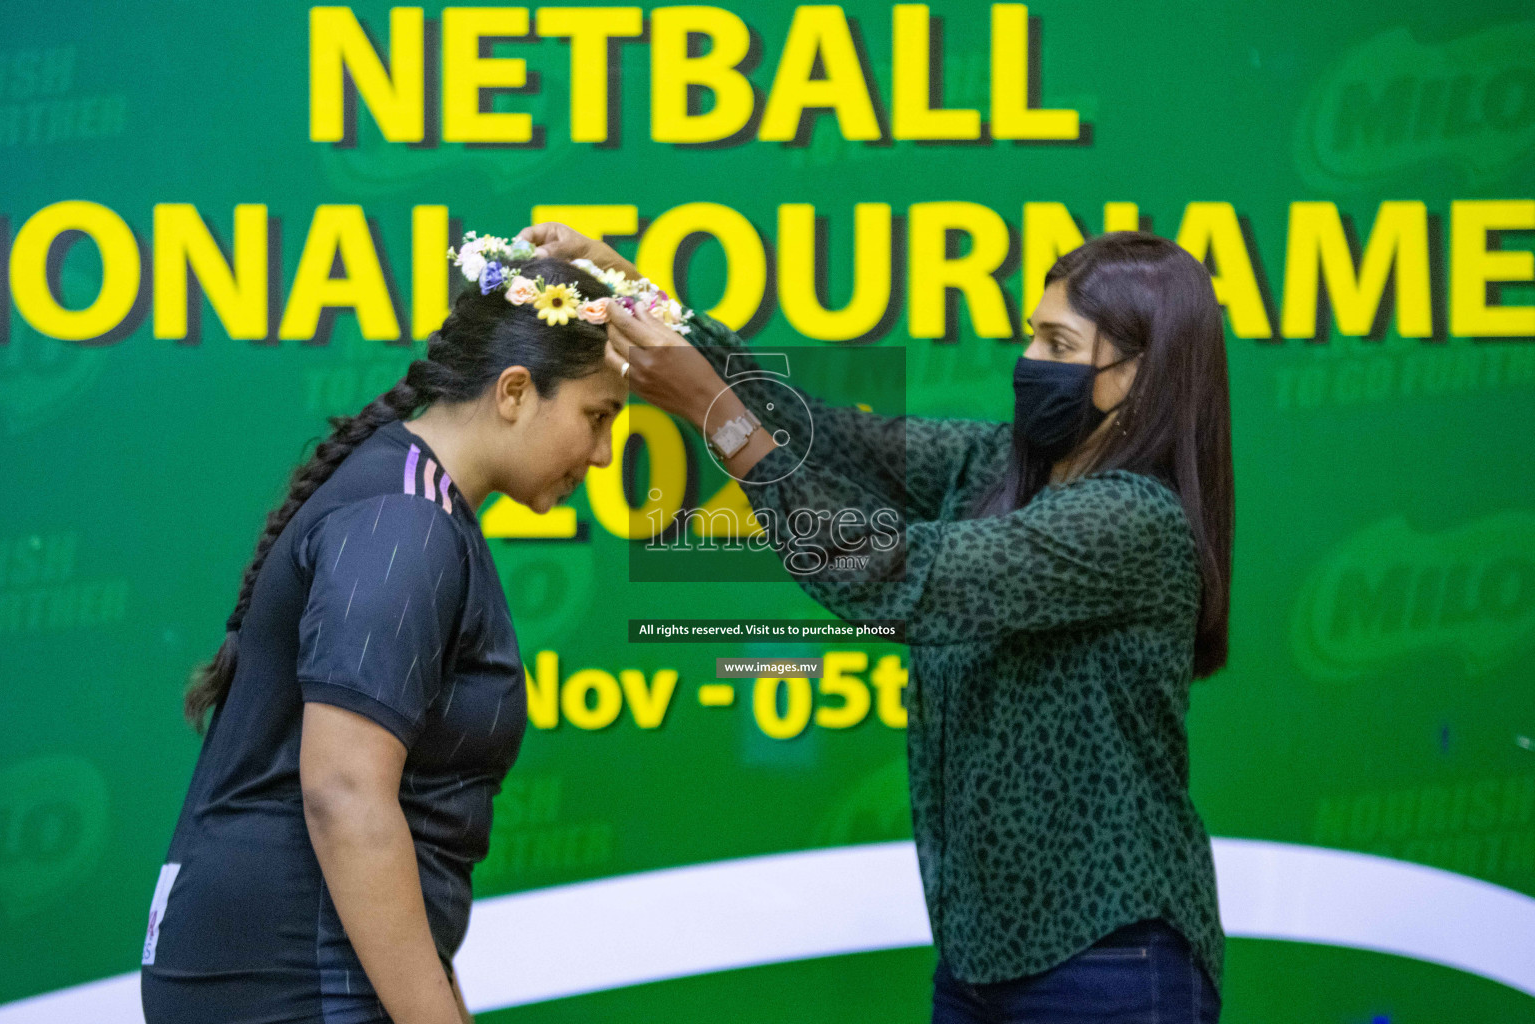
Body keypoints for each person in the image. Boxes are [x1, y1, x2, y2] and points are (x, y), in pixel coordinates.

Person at [524, 224, 1231, 1023]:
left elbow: (894, 577)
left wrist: (709, 411)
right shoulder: (997, 468)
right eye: (1031, 332)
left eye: (1057, 342)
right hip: (978, 962)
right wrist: (641, 297)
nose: (1029, 360)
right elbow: (823, 435)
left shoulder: (1132, 521)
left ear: (1135, 373)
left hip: (1107, 959)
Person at [140, 245, 654, 1024]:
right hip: (292, 978)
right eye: (597, 416)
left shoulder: (415, 506)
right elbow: (345, 794)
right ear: (515, 391)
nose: (604, 453)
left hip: (299, 966)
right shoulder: (403, 521)